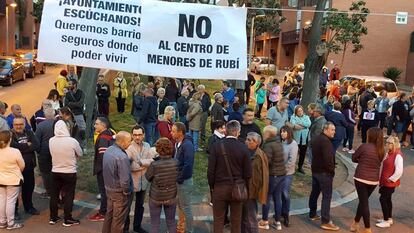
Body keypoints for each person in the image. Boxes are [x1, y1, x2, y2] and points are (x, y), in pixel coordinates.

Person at [208, 120, 252, 233]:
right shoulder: (243, 148)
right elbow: (248, 173)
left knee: (218, 220)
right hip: (237, 189)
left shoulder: (216, 146)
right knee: (236, 221)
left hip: (219, 187)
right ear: (237, 132)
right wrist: (246, 189)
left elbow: (210, 171)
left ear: (226, 131)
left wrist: (212, 187)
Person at [49, 120, 83, 226]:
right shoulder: (72, 141)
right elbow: (80, 153)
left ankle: (53, 217)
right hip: (69, 172)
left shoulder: (51, 140)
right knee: (69, 194)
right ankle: (67, 218)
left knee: (54, 195)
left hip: (55, 171)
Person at [350, 128, 384, 233]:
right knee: (363, 201)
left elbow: (354, 158)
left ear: (370, 136)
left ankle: (367, 229)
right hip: (373, 180)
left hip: (361, 178)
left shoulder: (364, 146)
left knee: (364, 203)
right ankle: (355, 223)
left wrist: (361, 160)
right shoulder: (381, 150)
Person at [308, 122, 340, 231]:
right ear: (325, 130)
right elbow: (328, 159)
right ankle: (325, 221)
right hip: (324, 173)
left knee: (315, 192)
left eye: (334, 130)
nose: (334, 132)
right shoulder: (326, 142)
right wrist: (332, 171)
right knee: (327, 196)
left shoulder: (316, 138)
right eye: (332, 130)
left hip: (315, 170)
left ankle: (312, 213)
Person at [125, 125, 154, 233]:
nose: (137, 137)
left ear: (144, 135)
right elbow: (130, 166)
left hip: (144, 182)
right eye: (135, 135)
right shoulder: (128, 147)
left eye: (140, 135)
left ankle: (137, 227)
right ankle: (125, 229)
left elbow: (152, 161)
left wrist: (140, 162)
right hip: (132, 182)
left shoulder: (147, 145)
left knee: (140, 206)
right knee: (127, 207)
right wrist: (144, 163)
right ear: (132, 135)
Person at [102, 131, 133, 233]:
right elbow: (125, 180)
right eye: (129, 141)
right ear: (123, 142)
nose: (130, 143)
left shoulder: (109, 150)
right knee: (118, 220)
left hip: (109, 189)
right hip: (120, 192)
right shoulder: (122, 157)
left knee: (109, 215)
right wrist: (127, 191)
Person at [145, 138, 178, 233]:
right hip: (171, 196)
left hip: (156, 196)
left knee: (155, 224)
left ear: (158, 149)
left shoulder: (154, 164)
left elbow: (148, 177)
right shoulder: (176, 163)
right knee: (171, 222)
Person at [259, 126, 287, 231]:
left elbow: (267, 162)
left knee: (266, 197)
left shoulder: (268, 145)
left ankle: (265, 221)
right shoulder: (279, 143)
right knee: (277, 198)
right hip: (281, 174)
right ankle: (277, 222)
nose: (263, 134)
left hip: (272, 175)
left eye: (264, 133)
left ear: (268, 134)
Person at [11, 117, 40, 216]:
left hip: (29, 166)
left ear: (24, 124)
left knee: (28, 188)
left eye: (21, 124)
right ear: (13, 125)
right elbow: (12, 146)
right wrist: (28, 146)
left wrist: (21, 148)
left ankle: (29, 207)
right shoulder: (10, 134)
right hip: (15, 168)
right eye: (16, 124)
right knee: (14, 191)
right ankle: (14, 211)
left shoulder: (29, 133)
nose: (18, 126)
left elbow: (36, 145)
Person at [89, 117, 115, 222]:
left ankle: (103, 212)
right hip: (109, 169)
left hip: (103, 170)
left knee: (104, 192)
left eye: (96, 124)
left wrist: (103, 170)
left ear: (103, 125)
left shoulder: (103, 137)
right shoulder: (110, 133)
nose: (94, 126)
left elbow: (103, 155)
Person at [242, 132, 269, 233]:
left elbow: (262, 177)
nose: (246, 141)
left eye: (249, 140)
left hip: (251, 190)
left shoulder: (259, 156)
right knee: (245, 216)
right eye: (246, 139)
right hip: (246, 189)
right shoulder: (247, 152)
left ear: (256, 143)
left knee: (251, 217)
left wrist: (256, 190)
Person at [375, 136, 404, 229]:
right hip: (386, 181)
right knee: (387, 199)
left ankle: (386, 220)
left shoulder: (398, 155)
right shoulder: (389, 153)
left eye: (388, 143)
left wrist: (391, 179)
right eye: (386, 142)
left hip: (389, 183)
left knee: (383, 199)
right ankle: (388, 218)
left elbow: (399, 170)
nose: (386, 144)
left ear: (393, 144)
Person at [171, 122, 194, 233]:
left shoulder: (187, 145)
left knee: (186, 207)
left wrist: (179, 178)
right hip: (180, 180)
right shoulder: (177, 143)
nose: (171, 133)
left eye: (173, 131)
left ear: (180, 132)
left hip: (184, 181)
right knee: (181, 205)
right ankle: (181, 228)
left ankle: (189, 230)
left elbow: (188, 165)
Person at [0, 130, 25, 230]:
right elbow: (22, 166)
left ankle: (2, 222)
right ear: (9, 139)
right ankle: (10, 223)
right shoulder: (15, 151)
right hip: (14, 180)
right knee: (11, 201)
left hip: (1, 180)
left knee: (2, 200)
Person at [279, 126, 298, 227]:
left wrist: (283, 170)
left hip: (287, 173)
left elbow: (292, 160)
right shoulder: (282, 142)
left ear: (289, 133)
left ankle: (286, 215)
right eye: (281, 132)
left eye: (284, 132)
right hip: (280, 172)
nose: (282, 133)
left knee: (285, 194)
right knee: (281, 193)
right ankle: (281, 212)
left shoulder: (293, 144)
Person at [34, 108, 56, 197]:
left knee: (45, 173)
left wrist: (38, 152)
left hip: (44, 152)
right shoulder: (58, 124)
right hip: (56, 151)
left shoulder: (40, 126)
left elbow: (37, 141)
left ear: (45, 115)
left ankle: (49, 192)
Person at [290, 105, 311, 174]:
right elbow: (294, 126)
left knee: (302, 154)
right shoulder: (293, 117)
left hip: (304, 139)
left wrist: (300, 124)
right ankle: (291, 166)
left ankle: (300, 167)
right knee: (294, 153)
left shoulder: (306, 117)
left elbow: (308, 124)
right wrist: (304, 126)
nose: (300, 112)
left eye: (301, 110)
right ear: (296, 112)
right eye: (298, 111)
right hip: (296, 138)